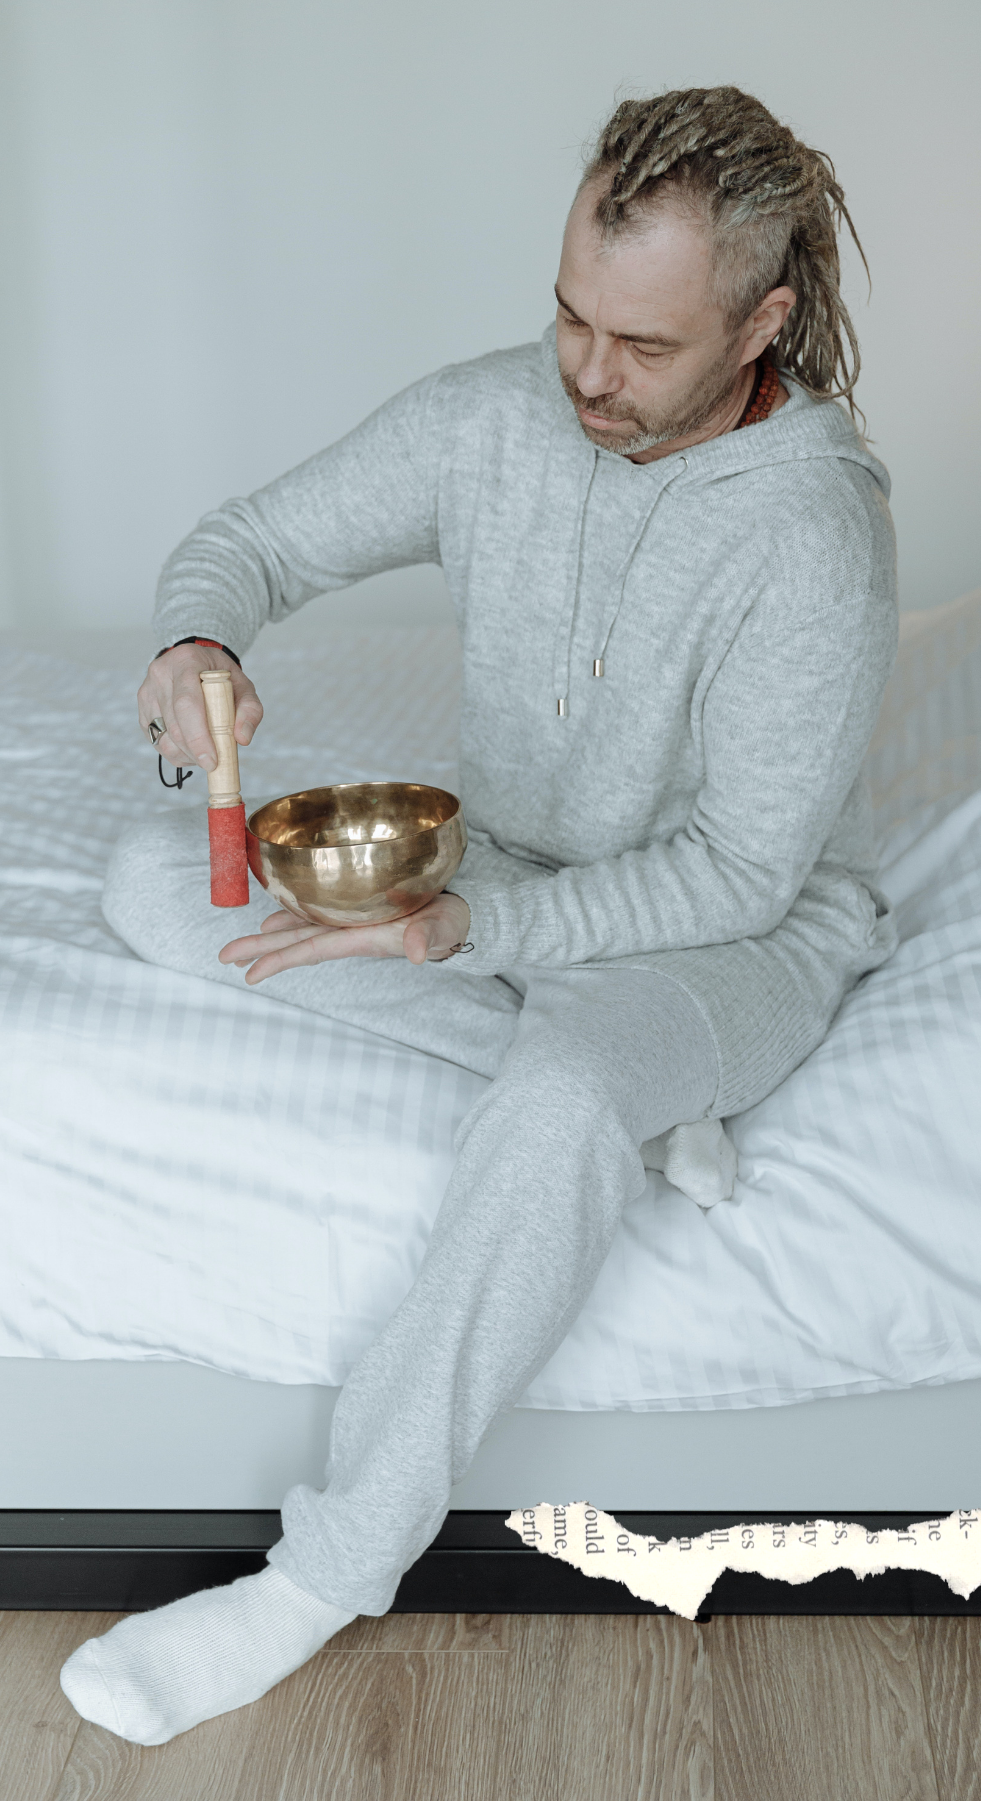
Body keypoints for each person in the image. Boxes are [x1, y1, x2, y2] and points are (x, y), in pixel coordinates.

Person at [61, 85, 898, 1745]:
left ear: (764, 320)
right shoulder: (504, 415)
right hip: (513, 877)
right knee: (151, 888)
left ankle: (321, 1575)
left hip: (734, 941)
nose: (589, 374)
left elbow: (740, 874)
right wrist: (196, 648)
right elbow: (254, 543)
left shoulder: (812, 535)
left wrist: (462, 942)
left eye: (642, 346)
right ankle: (658, 1118)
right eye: (572, 316)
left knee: (568, 1093)